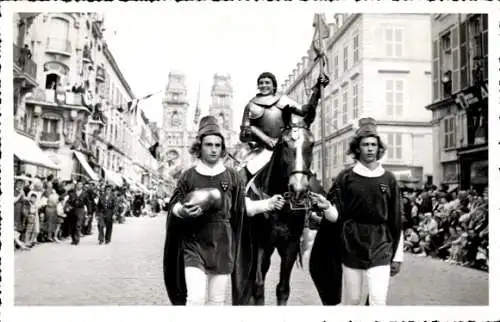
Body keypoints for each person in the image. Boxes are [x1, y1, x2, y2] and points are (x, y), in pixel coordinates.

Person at [309, 117, 404, 306]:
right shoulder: (346, 177)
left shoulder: (389, 179)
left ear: (379, 148)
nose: (370, 148)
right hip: (352, 244)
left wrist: (398, 256)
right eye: (365, 144)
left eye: (373, 145)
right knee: (352, 300)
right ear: (357, 148)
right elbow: (338, 217)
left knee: (378, 299)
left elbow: (396, 219)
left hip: (381, 243)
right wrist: (327, 206)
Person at [163, 115, 253, 306]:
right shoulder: (188, 176)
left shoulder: (233, 177)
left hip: (222, 244)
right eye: (208, 144)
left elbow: (240, 210)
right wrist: (183, 211)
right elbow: (174, 206)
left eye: (217, 145)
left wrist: (268, 204)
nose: (213, 149)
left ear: (222, 148)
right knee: (195, 298)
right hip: (194, 243)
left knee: (216, 301)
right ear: (199, 146)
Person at [239, 72, 329, 184]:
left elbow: (305, 111)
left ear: (274, 85)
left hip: (286, 149)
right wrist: (261, 135)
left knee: (310, 182)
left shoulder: (283, 100)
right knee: (241, 176)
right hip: (263, 151)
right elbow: (243, 136)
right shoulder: (251, 106)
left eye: (267, 82)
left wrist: (317, 91)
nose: (264, 85)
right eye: (261, 83)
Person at [65, 181, 88, 245]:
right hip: (73, 210)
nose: (79, 186)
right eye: (78, 184)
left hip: (80, 209)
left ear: (82, 186)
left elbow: (88, 203)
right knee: (72, 225)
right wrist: (67, 207)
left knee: (78, 225)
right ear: (76, 185)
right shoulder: (72, 193)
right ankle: (73, 239)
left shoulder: (85, 194)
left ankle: (77, 239)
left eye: (80, 185)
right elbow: (68, 202)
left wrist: (89, 212)